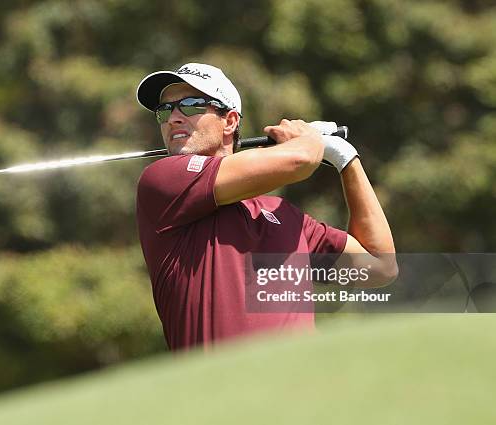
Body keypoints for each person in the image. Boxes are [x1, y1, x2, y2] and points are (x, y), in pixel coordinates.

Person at [135, 63, 397, 350]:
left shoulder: (284, 215)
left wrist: (347, 160)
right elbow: (299, 162)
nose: (173, 118)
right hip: (215, 392)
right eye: (165, 110)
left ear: (230, 121)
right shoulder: (162, 182)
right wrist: (310, 139)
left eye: (192, 105)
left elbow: (380, 267)